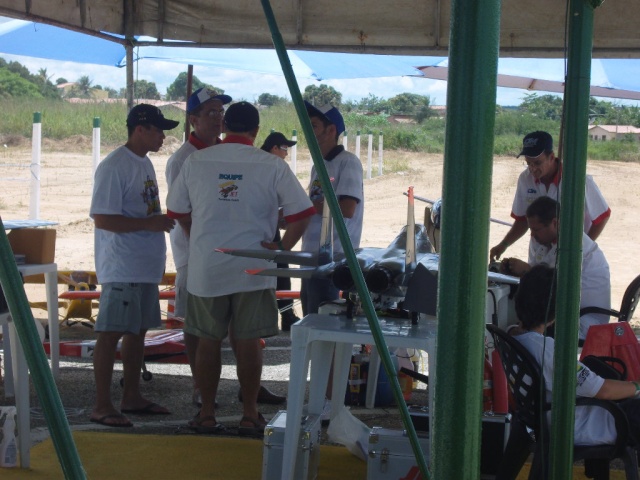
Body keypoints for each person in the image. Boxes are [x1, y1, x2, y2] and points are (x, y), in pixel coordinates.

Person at [166, 102, 314, 434]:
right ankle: (249, 413)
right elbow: (302, 212)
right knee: (247, 342)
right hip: (253, 264)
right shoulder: (270, 164)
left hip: (208, 265)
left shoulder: (196, 161)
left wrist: (201, 239)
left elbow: (176, 210)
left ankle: (206, 413)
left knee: (207, 340)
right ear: (256, 131)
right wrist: (282, 248)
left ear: (225, 127)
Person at [89, 104, 178, 427]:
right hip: (122, 266)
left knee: (137, 333)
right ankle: (102, 404)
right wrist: (149, 225)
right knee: (110, 333)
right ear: (140, 129)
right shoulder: (115, 166)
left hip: (142, 265)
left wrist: (151, 224)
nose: (163, 136)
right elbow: (102, 218)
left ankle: (131, 396)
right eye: (157, 130)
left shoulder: (144, 164)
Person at [513, 264, 640, 448]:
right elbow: (604, 391)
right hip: (586, 426)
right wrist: (636, 386)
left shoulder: (514, 337)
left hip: (547, 419)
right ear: (554, 314)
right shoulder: (548, 350)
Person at [501, 196, 610, 342]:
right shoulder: (545, 240)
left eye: (536, 229)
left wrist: (526, 270)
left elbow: (550, 287)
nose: (532, 234)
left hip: (582, 321)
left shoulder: (573, 246)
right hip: (563, 312)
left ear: (555, 223)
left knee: (512, 330)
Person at [490, 130, 610, 262]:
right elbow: (522, 220)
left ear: (551, 157)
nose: (532, 168)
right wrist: (504, 244)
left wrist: (580, 249)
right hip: (538, 254)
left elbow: (602, 216)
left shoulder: (578, 181)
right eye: (528, 163)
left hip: (570, 256)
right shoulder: (525, 179)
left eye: (537, 163)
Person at [300, 102, 364, 316]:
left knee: (322, 321)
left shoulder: (348, 162)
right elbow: (316, 204)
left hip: (332, 258)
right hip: (311, 255)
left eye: (314, 126)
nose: (308, 131)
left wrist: (303, 208)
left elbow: (347, 208)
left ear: (331, 130)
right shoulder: (319, 164)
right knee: (310, 319)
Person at [260, 131, 300, 331]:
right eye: (284, 149)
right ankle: (287, 315)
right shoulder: (274, 166)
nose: (286, 154)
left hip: (261, 225)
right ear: (274, 148)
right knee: (281, 272)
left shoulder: (255, 162)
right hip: (267, 229)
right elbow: (298, 205)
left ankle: (283, 315)